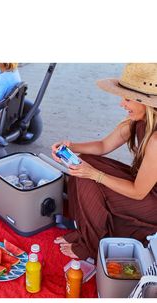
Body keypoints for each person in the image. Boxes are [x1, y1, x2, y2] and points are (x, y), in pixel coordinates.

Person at [51, 63, 157, 261]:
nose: (121, 104)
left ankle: (90, 246)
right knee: (84, 162)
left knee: (87, 177)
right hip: (143, 187)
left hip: (151, 202)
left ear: (146, 102)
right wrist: (71, 147)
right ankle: (84, 230)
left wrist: (94, 174)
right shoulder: (138, 120)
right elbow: (103, 145)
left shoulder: (156, 140)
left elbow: (138, 192)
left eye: (127, 99)